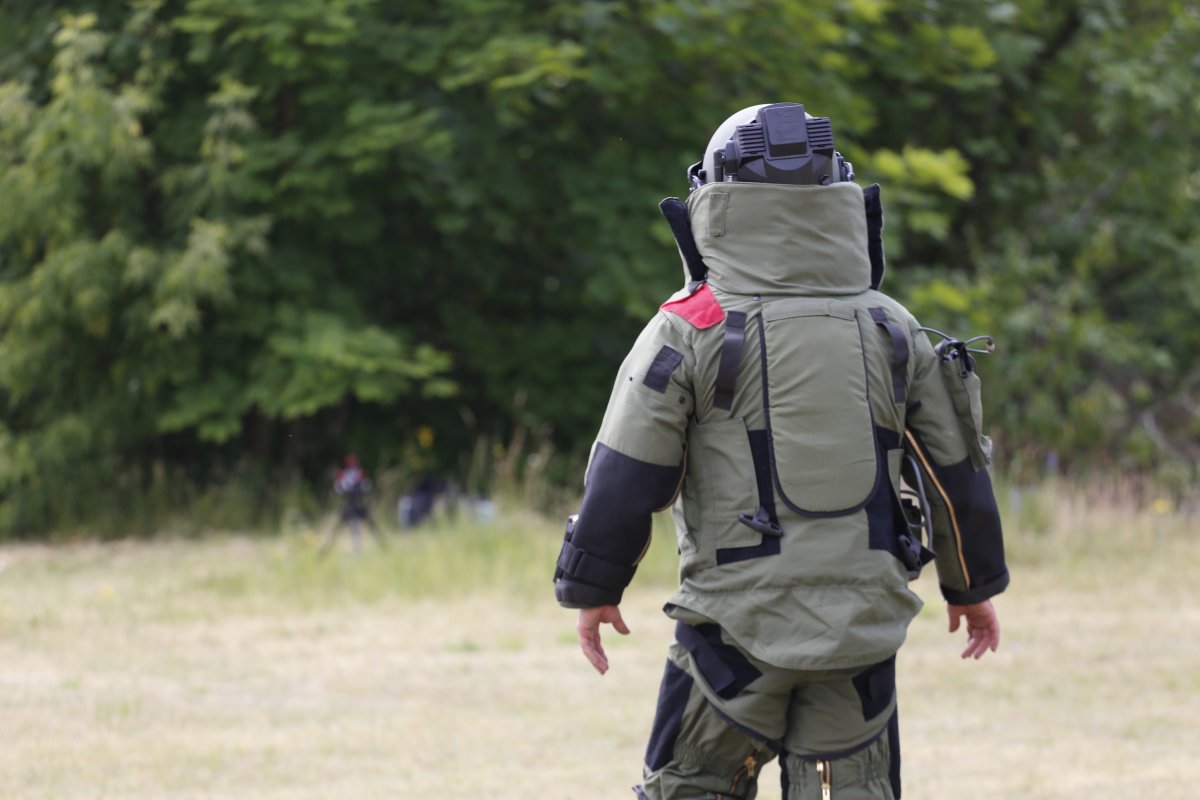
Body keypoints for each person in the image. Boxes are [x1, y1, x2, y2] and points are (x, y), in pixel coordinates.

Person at [553, 102, 1008, 799]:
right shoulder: (892, 326)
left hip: (730, 636)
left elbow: (626, 474)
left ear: (715, 198)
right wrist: (971, 586)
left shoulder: (690, 326)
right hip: (861, 636)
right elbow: (956, 473)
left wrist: (593, 588)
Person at [322, 454, 385, 554]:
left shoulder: (359, 474)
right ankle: (327, 551)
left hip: (358, 504)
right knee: (341, 527)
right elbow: (339, 488)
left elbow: (366, 486)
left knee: (369, 525)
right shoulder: (344, 475)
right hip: (350, 504)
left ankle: (381, 547)